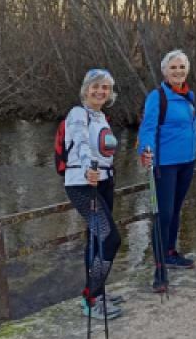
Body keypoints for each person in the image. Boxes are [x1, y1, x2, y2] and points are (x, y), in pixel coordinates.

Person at [138, 50, 196, 290]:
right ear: (165, 71)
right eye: (173, 68)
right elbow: (147, 128)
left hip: (187, 160)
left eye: (182, 67)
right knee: (162, 214)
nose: (178, 72)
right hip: (164, 163)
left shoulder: (190, 95)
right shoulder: (157, 97)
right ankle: (159, 267)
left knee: (175, 210)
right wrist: (146, 150)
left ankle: (171, 252)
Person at [65, 69, 122, 320]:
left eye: (105, 88)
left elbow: (105, 152)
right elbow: (81, 144)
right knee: (110, 239)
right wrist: (89, 168)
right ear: (86, 89)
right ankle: (90, 297)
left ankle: (97, 293)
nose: (100, 91)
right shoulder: (78, 113)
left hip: (104, 182)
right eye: (95, 86)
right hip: (83, 184)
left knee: (96, 241)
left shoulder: (101, 117)